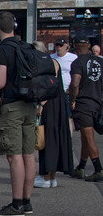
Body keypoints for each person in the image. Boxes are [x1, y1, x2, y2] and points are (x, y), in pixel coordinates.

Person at [0, 11, 36, 216]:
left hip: (12, 107)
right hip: (29, 106)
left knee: (14, 157)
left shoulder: (1, 51)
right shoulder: (26, 47)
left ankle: (16, 205)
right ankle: (26, 202)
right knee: (28, 155)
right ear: (14, 26)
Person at [33, 41, 73, 188]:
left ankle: (46, 177)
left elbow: (49, 84)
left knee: (47, 138)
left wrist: (41, 105)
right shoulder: (54, 61)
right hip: (59, 103)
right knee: (56, 138)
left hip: (49, 104)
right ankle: (52, 177)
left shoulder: (45, 63)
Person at [67, 38, 103, 182]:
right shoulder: (100, 62)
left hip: (83, 103)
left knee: (88, 136)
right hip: (98, 102)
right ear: (88, 46)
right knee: (84, 135)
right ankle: (81, 167)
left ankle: (98, 169)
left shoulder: (77, 63)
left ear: (75, 46)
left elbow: (75, 83)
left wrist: (72, 100)